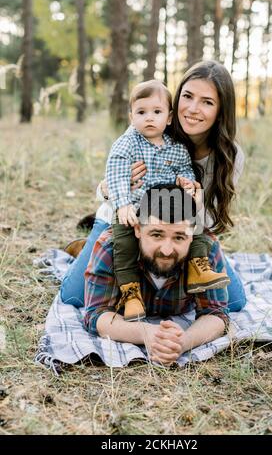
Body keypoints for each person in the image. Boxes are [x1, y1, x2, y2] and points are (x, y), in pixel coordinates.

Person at [61, 60, 246, 313]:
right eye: (188, 96)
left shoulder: (229, 155)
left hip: (182, 232)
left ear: (221, 109)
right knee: (74, 297)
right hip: (125, 220)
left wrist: (197, 207)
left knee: (234, 302)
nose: (193, 109)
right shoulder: (149, 123)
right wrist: (109, 190)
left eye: (207, 102)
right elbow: (110, 180)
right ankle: (93, 249)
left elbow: (210, 221)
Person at [105, 79, 229, 322]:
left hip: (170, 211)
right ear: (131, 116)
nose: (149, 118)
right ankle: (130, 293)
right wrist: (122, 203)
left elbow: (185, 170)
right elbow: (115, 174)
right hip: (135, 209)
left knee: (197, 231)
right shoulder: (127, 143)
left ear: (169, 118)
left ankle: (198, 268)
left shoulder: (176, 147)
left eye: (157, 112)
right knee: (124, 245)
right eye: (141, 112)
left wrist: (187, 183)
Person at [84, 184, 229, 365]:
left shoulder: (206, 248)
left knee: (237, 301)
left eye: (179, 237)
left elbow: (216, 313)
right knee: (71, 296)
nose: (167, 251)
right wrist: (146, 333)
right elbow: (96, 314)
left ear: (193, 234)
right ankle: (82, 246)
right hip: (112, 237)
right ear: (137, 229)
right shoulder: (111, 247)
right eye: (157, 235)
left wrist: (181, 342)